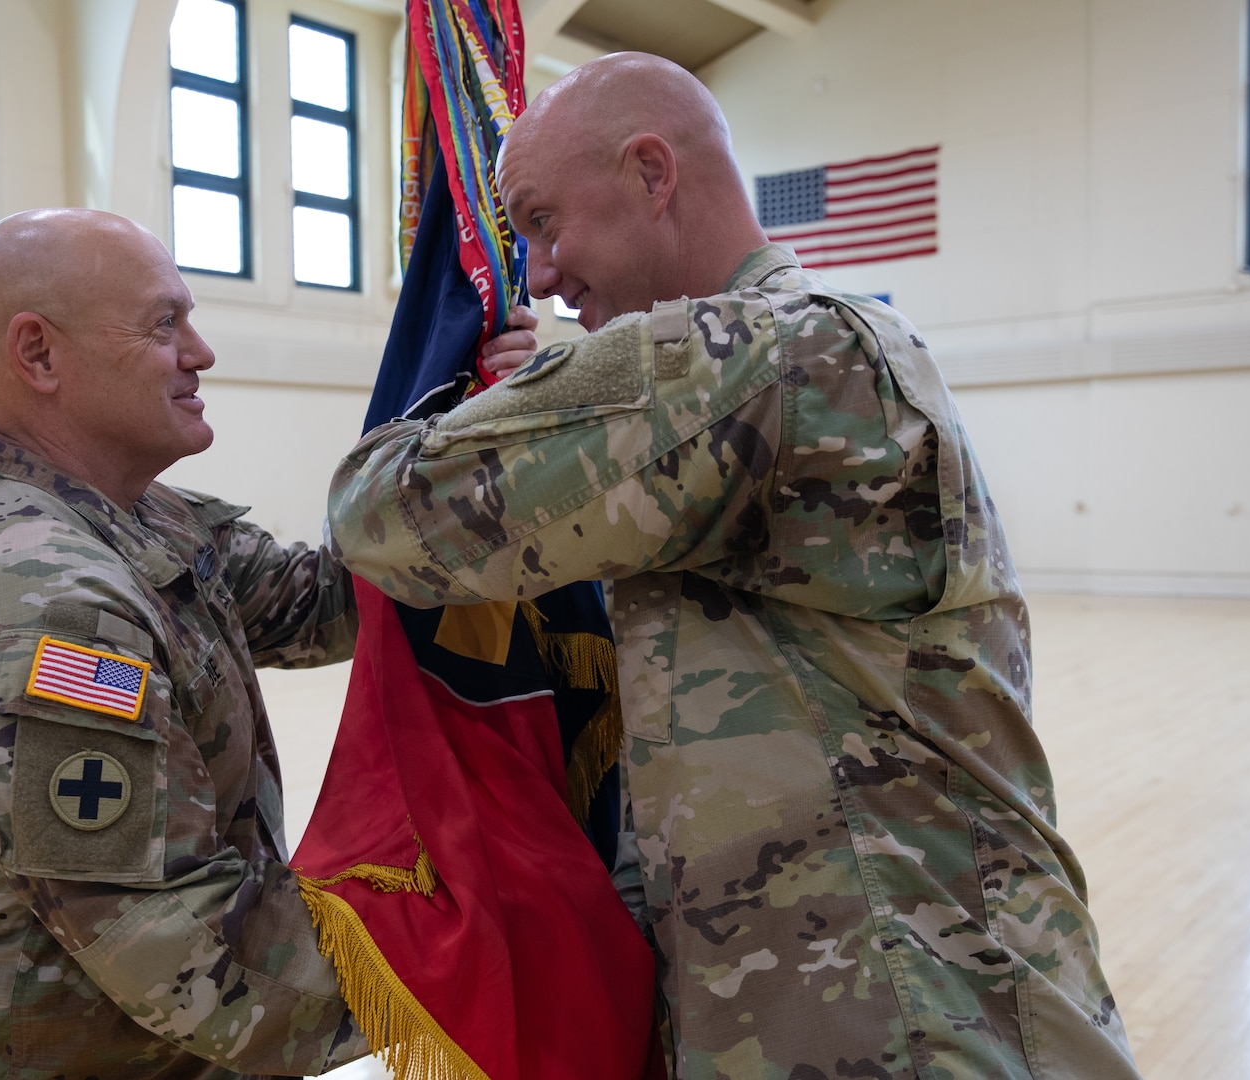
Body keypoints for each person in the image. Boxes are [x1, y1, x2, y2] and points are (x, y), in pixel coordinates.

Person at [325, 54, 1143, 1080]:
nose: (537, 275)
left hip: (916, 1026)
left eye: (542, 222)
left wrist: (481, 392)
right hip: (863, 1004)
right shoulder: (788, 363)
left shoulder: (777, 359)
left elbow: (383, 511)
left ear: (651, 173)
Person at [0, 206, 537, 1077]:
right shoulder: (43, 605)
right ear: (39, 355)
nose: (202, 352)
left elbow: (336, 598)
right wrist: (491, 936)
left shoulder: (144, 522)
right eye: (163, 324)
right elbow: (196, 961)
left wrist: (484, 422)